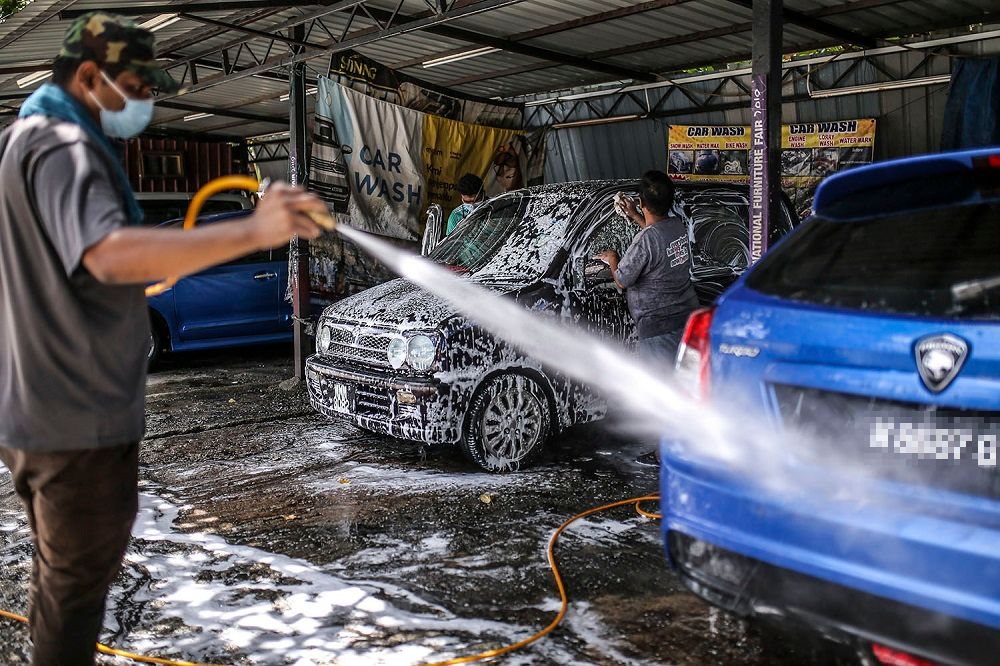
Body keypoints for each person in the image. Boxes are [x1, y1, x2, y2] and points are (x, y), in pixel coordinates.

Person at [0, 13, 327, 665]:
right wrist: (254, 232)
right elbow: (108, 253)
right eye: (135, 86)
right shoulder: (66, 144)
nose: (145, 102)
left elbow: (66, 266)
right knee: (76, 593)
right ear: (89, 77)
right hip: (77, 420)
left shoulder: (20, 139)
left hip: (32, 408)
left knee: (59, 579)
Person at [596, 171, 699, 465]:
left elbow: (623, 280)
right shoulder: (677, 227)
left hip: (657, 327)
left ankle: (664, 453)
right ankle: (690, 442)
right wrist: (638, 218)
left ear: (641, 202)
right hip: (685, 321)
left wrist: (612, 257)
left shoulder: (644, 241)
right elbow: (657, 241)